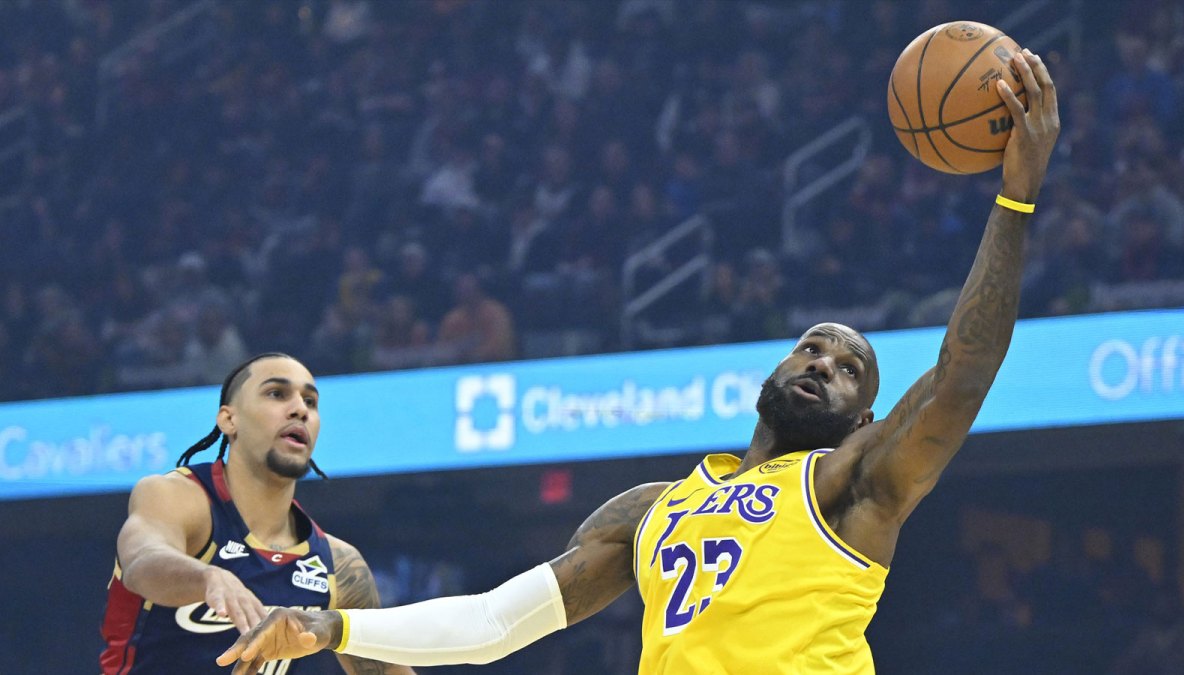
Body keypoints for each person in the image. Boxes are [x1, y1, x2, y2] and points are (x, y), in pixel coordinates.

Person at [220, 49, 1059, 675]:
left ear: (865, 419)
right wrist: (334, 629)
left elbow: (962, 371)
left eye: (847, 368)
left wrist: (1014, 198)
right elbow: (496, 620)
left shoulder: (854, 481)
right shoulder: (654, 508)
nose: (821, 363)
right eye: (810, 346)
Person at [100, 352, 415, 674]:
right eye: (277, 393)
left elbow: (386, 669)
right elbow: (141, 561)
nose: (299, 410)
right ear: (229, 419)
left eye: (310, 401)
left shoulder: (339, 564)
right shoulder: (178, 496)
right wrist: (208, 577)